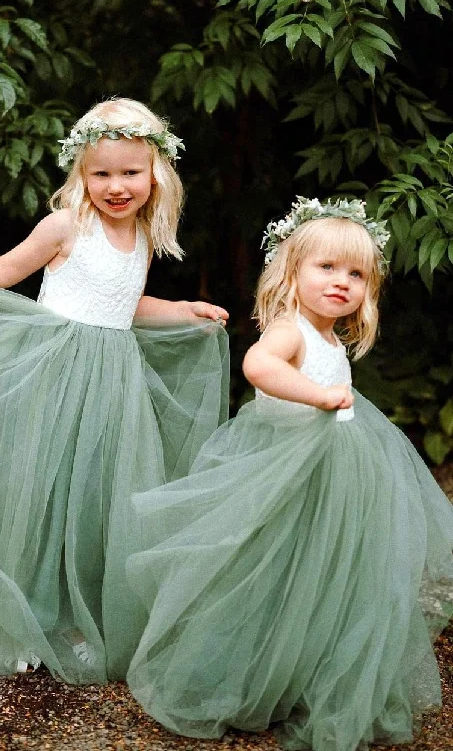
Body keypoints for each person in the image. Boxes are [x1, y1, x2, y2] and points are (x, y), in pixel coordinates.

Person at [0, 97, 229, 683]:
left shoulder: (140, 237)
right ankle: (26, 618)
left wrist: (183, 310)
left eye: (130, 172)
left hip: (113, 386)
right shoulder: (67, 226)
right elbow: (3, 270)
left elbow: (125, 306)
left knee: (98, 499)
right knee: (44, 497)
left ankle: (81, 613)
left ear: (157, 172)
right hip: (55, 378)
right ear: (80, 173)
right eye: (100, 172)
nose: (116, 186)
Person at [126, 196, 453, 751]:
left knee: (325, 575)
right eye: (326, 267)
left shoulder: (329, 338)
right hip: (286, 473)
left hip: (333, 479)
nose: (340, 282)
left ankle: (302, 669)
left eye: (356, 273)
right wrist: (318, 394)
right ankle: (246, 673)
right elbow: (259, 365)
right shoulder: (290, 329)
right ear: (292, 271)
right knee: (267, 570)